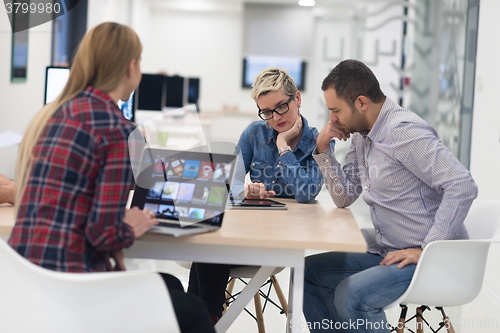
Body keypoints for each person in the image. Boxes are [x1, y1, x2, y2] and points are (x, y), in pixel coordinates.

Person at [8, 22, 214, 333]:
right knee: (194, 311)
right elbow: (102, 235)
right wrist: (127, 227)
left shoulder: (52, 115)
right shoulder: (117, 130)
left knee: (168, 283)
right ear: (131, 66)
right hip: (74, 289)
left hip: (23, 283)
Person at [303, 59, 478, 333]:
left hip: (434, 260)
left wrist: (427, 249)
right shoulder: (364, 136)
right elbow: (344, 196)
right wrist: (323, 148)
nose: (332, 119)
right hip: (391, 251)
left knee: (354, 295)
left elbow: (462, 185)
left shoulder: (404, 132)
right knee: (307, 274)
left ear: (361, 102)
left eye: (335, 111)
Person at [188, 67, 332, 323]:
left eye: (281, 107)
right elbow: (226, 183)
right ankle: (203, 317)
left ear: (297, 98)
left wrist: (283, 148)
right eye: (266, 112)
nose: (275, 118)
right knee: (211, 229)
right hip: (247, 232)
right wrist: (245, 191)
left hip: (283, 240)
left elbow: (307, 193)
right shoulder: (254, 133)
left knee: (212, 243)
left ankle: (201, 317)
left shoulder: (317, 141)